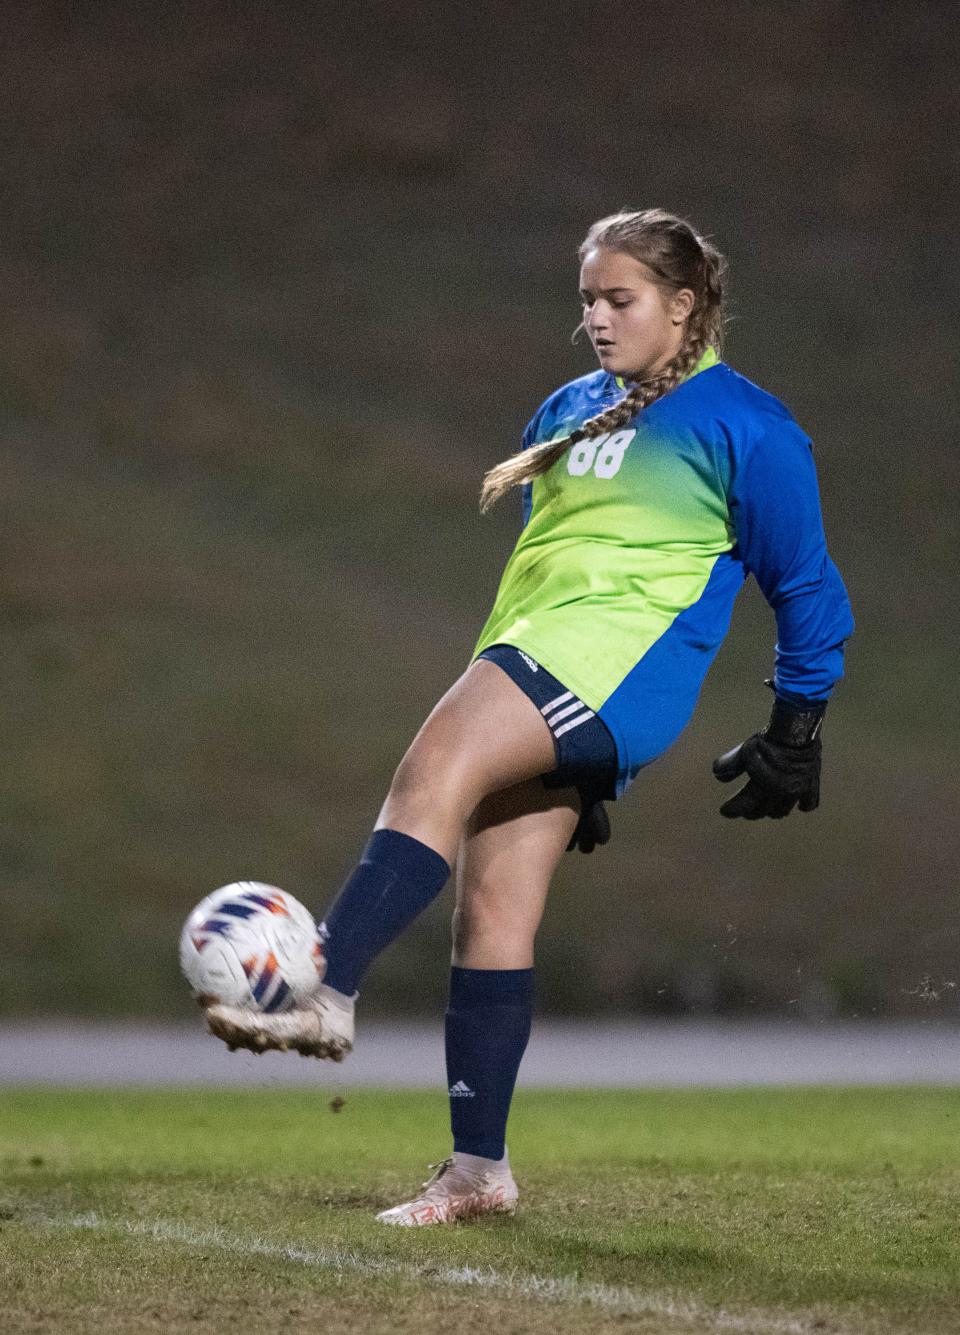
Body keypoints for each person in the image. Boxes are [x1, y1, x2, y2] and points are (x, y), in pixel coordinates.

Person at [206, 208, 854, 1226]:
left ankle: (319, 990)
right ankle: (479, 1171)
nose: (598, 318)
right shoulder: (563, 410)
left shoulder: (749, 426)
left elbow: (807, 588)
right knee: (493, 906)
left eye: (621, 299)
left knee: (433, 768)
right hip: (548, 664)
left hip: (608, 664)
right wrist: (562, 746)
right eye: (588, 300)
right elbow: (546, 568)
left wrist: (796, 726)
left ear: (683, 307)